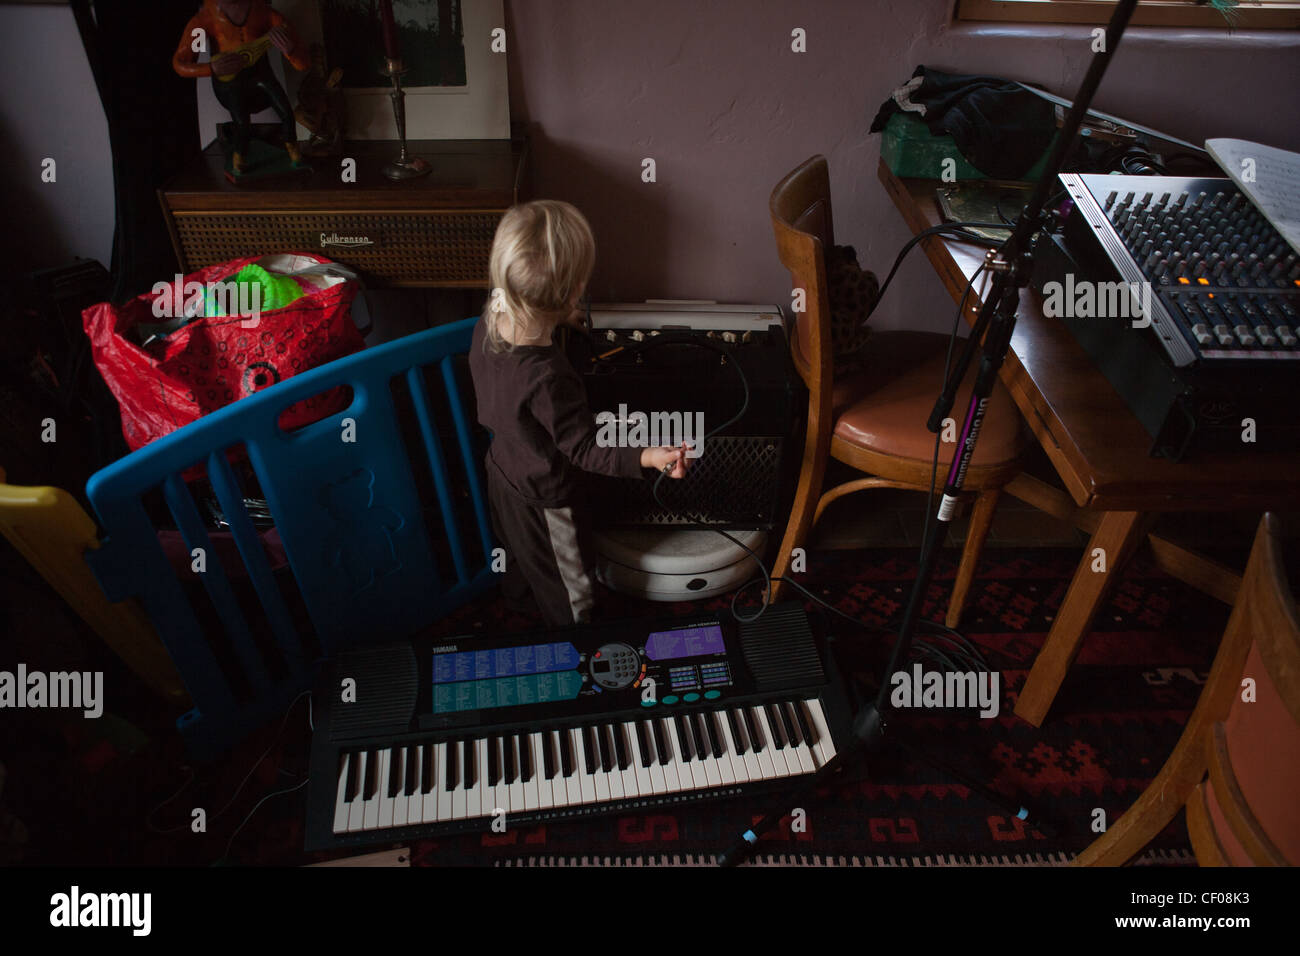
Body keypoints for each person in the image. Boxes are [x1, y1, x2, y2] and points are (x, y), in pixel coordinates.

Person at [469, 200, 689, 626]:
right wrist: (647, 457)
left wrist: (559, 315)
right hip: (545, 494)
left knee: (517, 555)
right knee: (571, 582)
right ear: (571, 294)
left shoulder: (493, 311)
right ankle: (580, 640)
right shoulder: (548, 377)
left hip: (501, 470)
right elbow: (585, 449)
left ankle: (517, 612)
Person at [172, 0, 310, 176]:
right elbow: (180, 63)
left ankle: (294, 153)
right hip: (229, 82)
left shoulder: (265, 13)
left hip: (261, 75)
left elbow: (303, 63)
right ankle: (239, 159)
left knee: (287, 113)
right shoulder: (205, 19)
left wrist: (290, 50)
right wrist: (211, 69)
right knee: (242, 123)